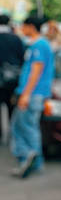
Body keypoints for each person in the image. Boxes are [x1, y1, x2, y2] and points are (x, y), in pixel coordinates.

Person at [10, 16, 54, 178]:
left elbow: (36, 71)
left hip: (33, 93)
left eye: (24, 26)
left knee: (22, 126)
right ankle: (34, 160)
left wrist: (26, 94)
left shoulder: (39, 46)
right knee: (27, 126)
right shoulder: (37, 45)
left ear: (31, 27)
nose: (21, 28)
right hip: (34, 93)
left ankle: (28, 155)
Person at [0, 14, 25, 144]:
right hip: (13, 79)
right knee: (12, 107)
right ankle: (12, 133)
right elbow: (22, 58)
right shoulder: (16, 39)